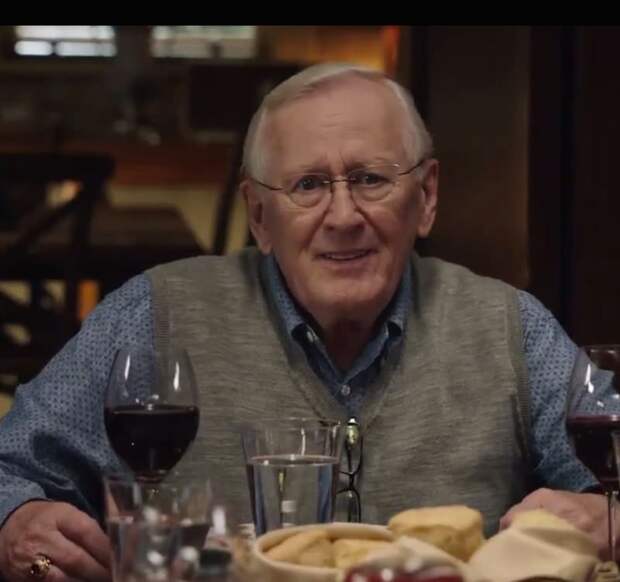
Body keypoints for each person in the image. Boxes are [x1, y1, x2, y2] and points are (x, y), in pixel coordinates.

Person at [0, 62, 613, 581]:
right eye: (309, 185)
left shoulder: (510, 327)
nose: (343, 215)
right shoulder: (152, 314)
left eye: (371, 179)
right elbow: (11, 465)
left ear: (425, 197)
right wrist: (15, 521)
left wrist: (609, 516)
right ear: (260, 216)